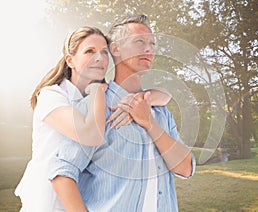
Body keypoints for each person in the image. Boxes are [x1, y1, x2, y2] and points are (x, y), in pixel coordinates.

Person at [15, 26, 171, 212]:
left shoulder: (100, 96)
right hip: (46, 201)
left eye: (104, 52)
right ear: (70, 60)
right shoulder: (52, 95)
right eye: (90, 51)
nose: (100, 58)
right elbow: (91, 135)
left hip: (79, 197)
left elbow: (165, 96)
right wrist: (98, 92)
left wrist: (139, 100)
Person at [50, 14, 196, 212]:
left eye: (152, 44)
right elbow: (62, 174)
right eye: (139, 42)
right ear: (115, 49)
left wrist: (148, 122)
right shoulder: (94, 108)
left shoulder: (161, 111)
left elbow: (186, 168)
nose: (149, 49)